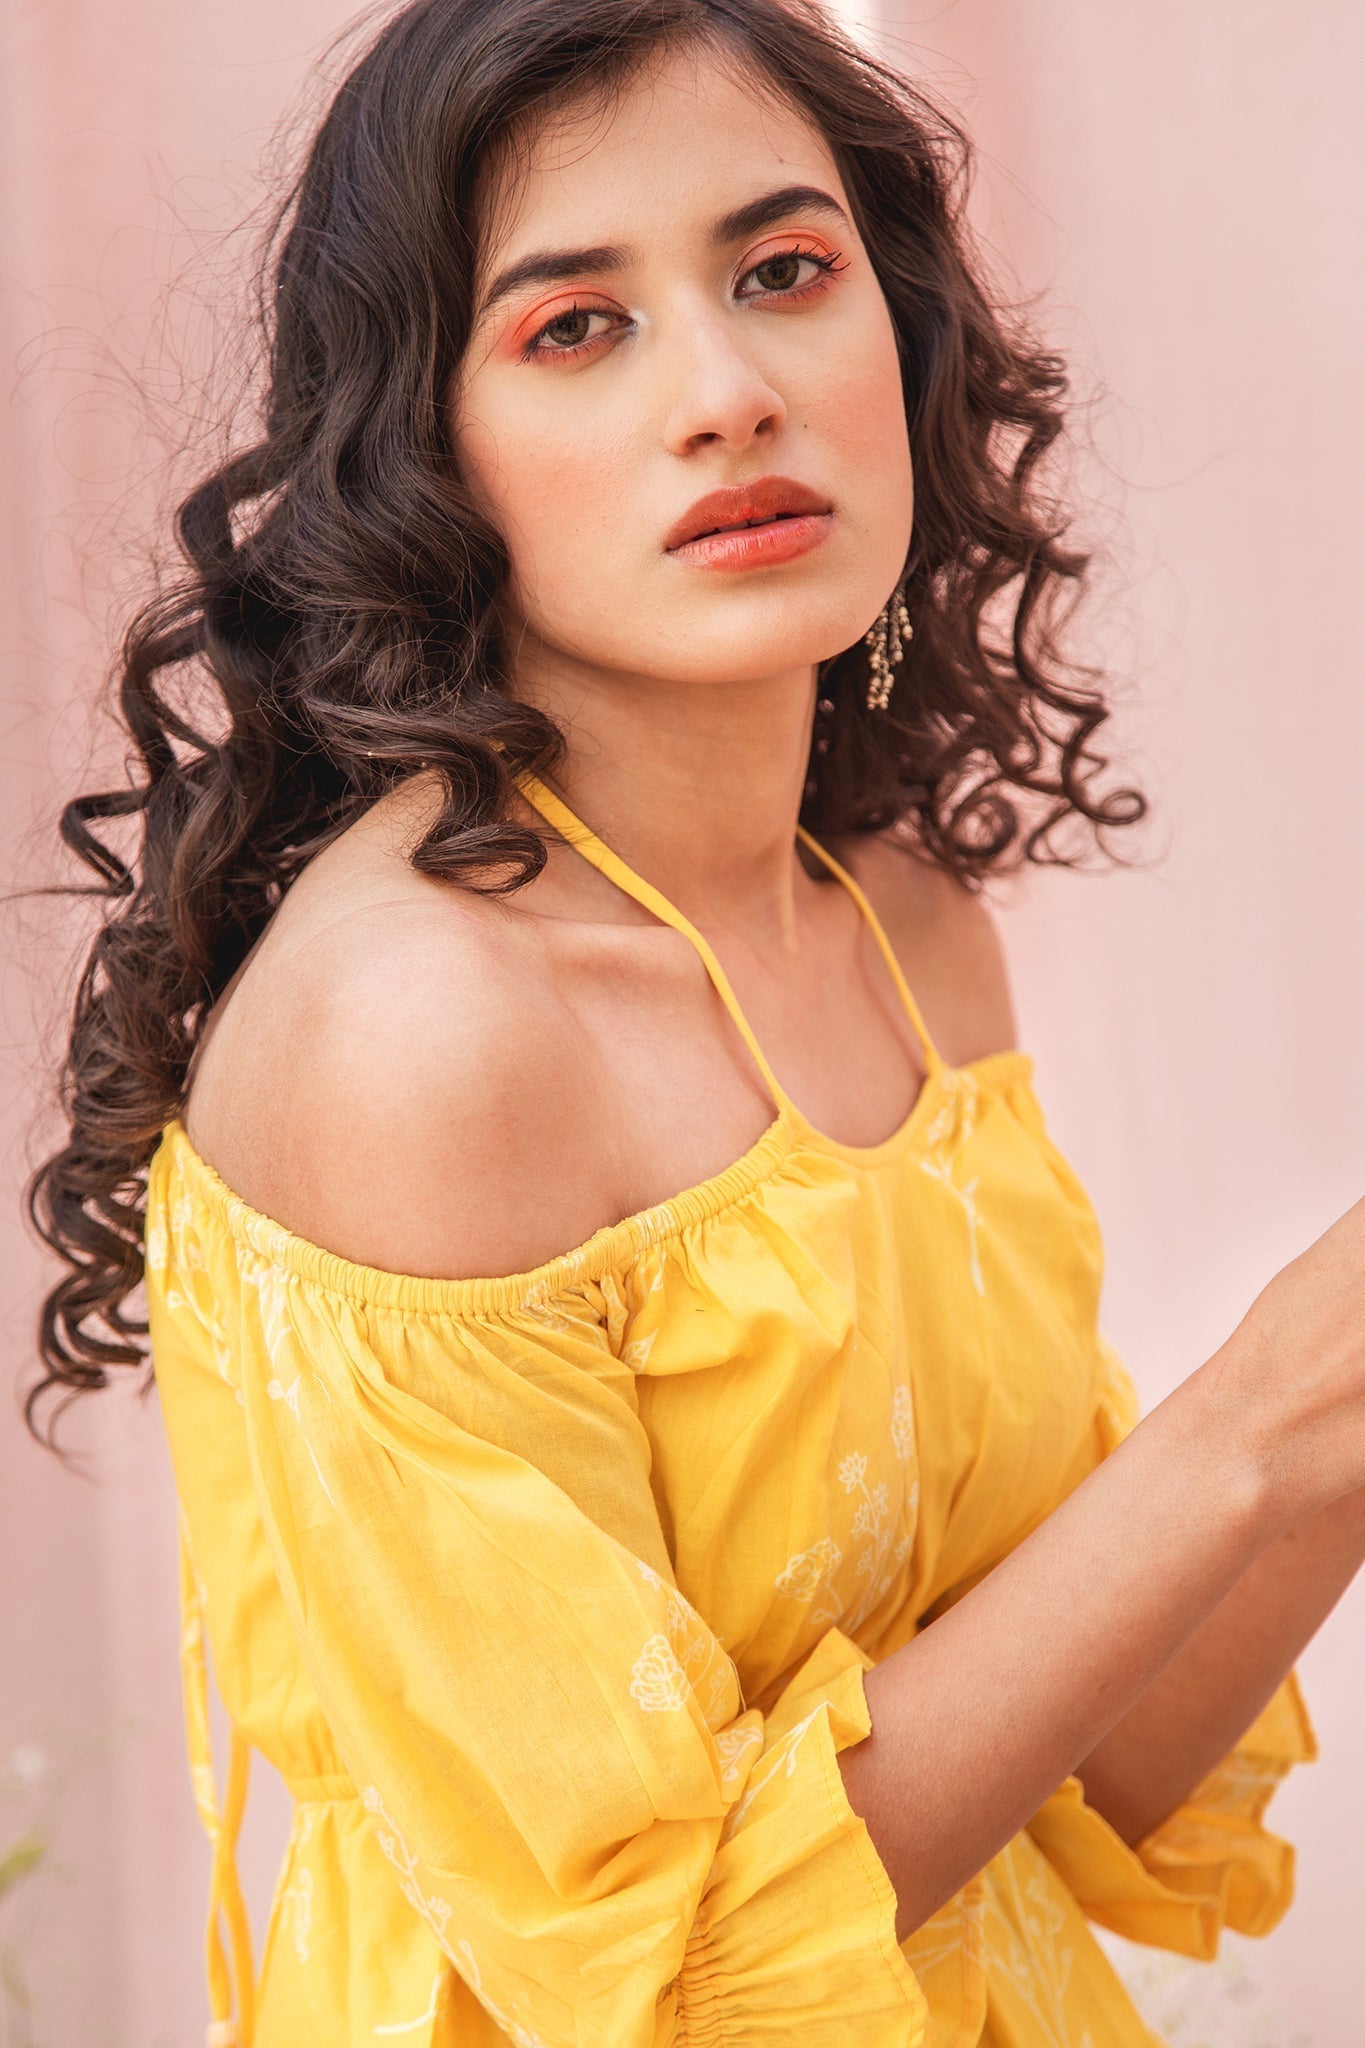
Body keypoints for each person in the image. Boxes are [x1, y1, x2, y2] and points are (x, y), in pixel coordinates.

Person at [26, 0, 1365, 2042]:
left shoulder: (901, 931)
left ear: (901, 333)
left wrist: (1327, 1431)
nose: (729, 394)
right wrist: (1256, 1411)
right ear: (421, 455)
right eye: (576, 325)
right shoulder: (425, 1033)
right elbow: (669, 1980)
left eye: (784, 273)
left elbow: (1093, 1775)